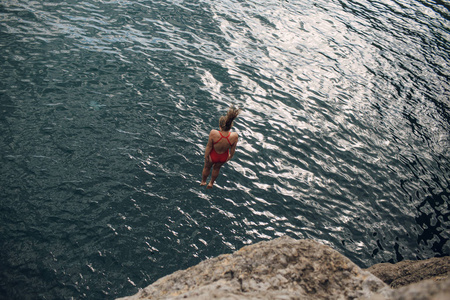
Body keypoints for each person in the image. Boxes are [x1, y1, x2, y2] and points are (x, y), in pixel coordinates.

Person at [201, 106, 241, 189]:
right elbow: (233, 149)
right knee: (216, 169)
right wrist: (230, 156)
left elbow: (209, 146)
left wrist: (206, 156)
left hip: (213, 155)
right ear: (230, 126)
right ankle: (211, 183)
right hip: (223, 157)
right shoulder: (234, 136)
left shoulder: (213, 133)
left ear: (220, 126)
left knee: (207, 167)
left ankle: (203, 181)